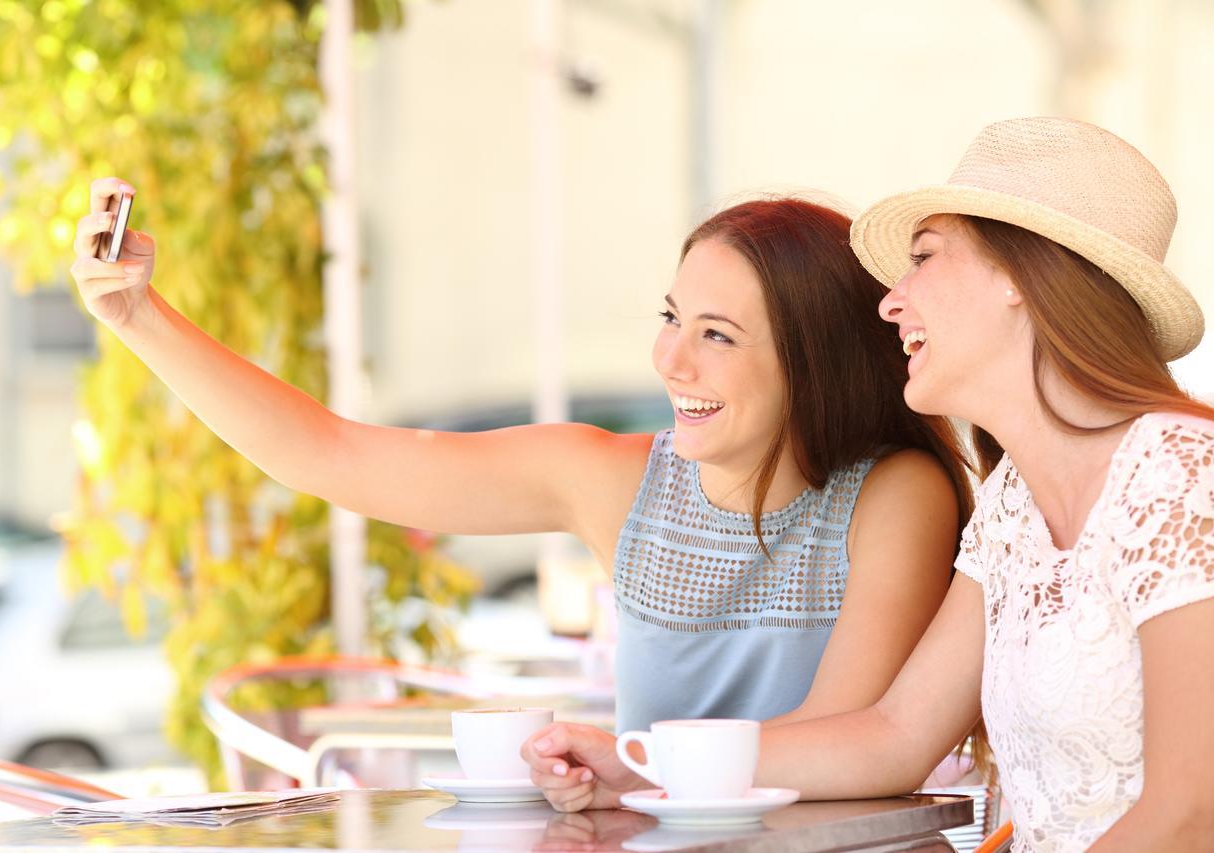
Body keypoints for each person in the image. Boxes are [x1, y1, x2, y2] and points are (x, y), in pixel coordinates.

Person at [524, 118, 1214, 851]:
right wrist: (642, 767)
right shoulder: (1014, 504)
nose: (891, 301)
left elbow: (1190, 808)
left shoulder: (1181, 474)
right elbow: (893, 735)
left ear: (1018, 276)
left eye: (923, 258)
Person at [70, 191, 971, 742]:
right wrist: (138, 318)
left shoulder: (895, 496)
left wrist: (624, 764)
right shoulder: (612, 480)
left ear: (812, 363)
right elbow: (332, 454)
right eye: (671, 317)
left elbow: (845, 738)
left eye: (717, 336)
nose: (671, 361)